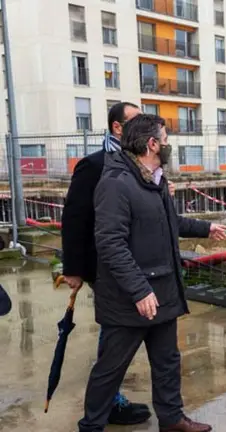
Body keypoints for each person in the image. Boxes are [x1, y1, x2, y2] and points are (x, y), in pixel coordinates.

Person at [77, 114, 226, 432]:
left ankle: (172, 420)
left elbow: (169, 221)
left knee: (167, 362)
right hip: (130, 299)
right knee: (111, 369)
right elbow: (110, 244)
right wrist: (139, 289)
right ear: (152, 144)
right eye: (167, 140)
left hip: (163, 292)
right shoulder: (116, 183)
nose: (170, 146)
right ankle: (91, 426)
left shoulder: (154, 179)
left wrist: (206, 227)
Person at [60, 102, 153, 425]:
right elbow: (74, 218)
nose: (144, 125)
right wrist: (72, 267)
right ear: (117, 128)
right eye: (136, 120)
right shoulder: (94, 165)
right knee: (115, 333)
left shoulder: (143, 163)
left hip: (139, 262)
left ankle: (109, 398)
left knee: (124, 332)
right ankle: (108, 402)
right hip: (107, 265)